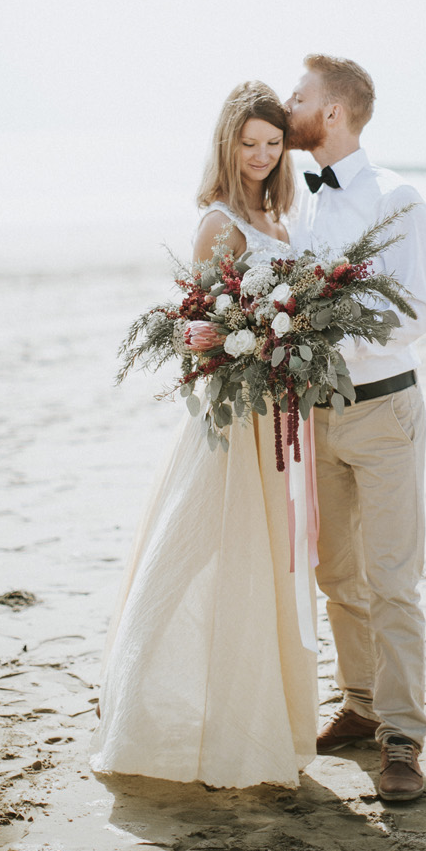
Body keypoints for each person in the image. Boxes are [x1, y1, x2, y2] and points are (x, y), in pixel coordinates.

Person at [91, 81, 318, 789]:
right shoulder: (218, 221)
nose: (259, 154)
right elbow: (196, 335)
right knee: (187, 550)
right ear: (228, 144)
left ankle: (256, 721)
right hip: (230, 417)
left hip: (276, 416)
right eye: (248, 143)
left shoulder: (278, 221)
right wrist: (246, 344)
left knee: (263, 565)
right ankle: (137, 705)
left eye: (272, 144)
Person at [285, 54, 426, 802]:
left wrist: (325, 333)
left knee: (391, 580)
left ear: (333, 111)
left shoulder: (397, 198)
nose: (289, 105)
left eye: (299, 96)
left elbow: (416, 314)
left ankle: (403, 737)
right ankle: (360, 703)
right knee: (336, 574)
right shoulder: (299, 202)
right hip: (315, 416)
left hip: (381, 410)